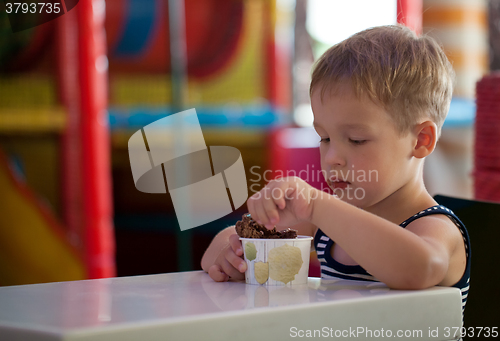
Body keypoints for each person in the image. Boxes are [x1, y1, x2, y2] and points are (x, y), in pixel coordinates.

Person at [201, 25, 470, 308]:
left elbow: (419, 268)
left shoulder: (436, 228)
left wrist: (318, 206)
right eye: (325, 138)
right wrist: (231, 254)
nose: (331, 157)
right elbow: (224, 242)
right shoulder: (325, 223)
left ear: (420, 140)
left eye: (356, 139)